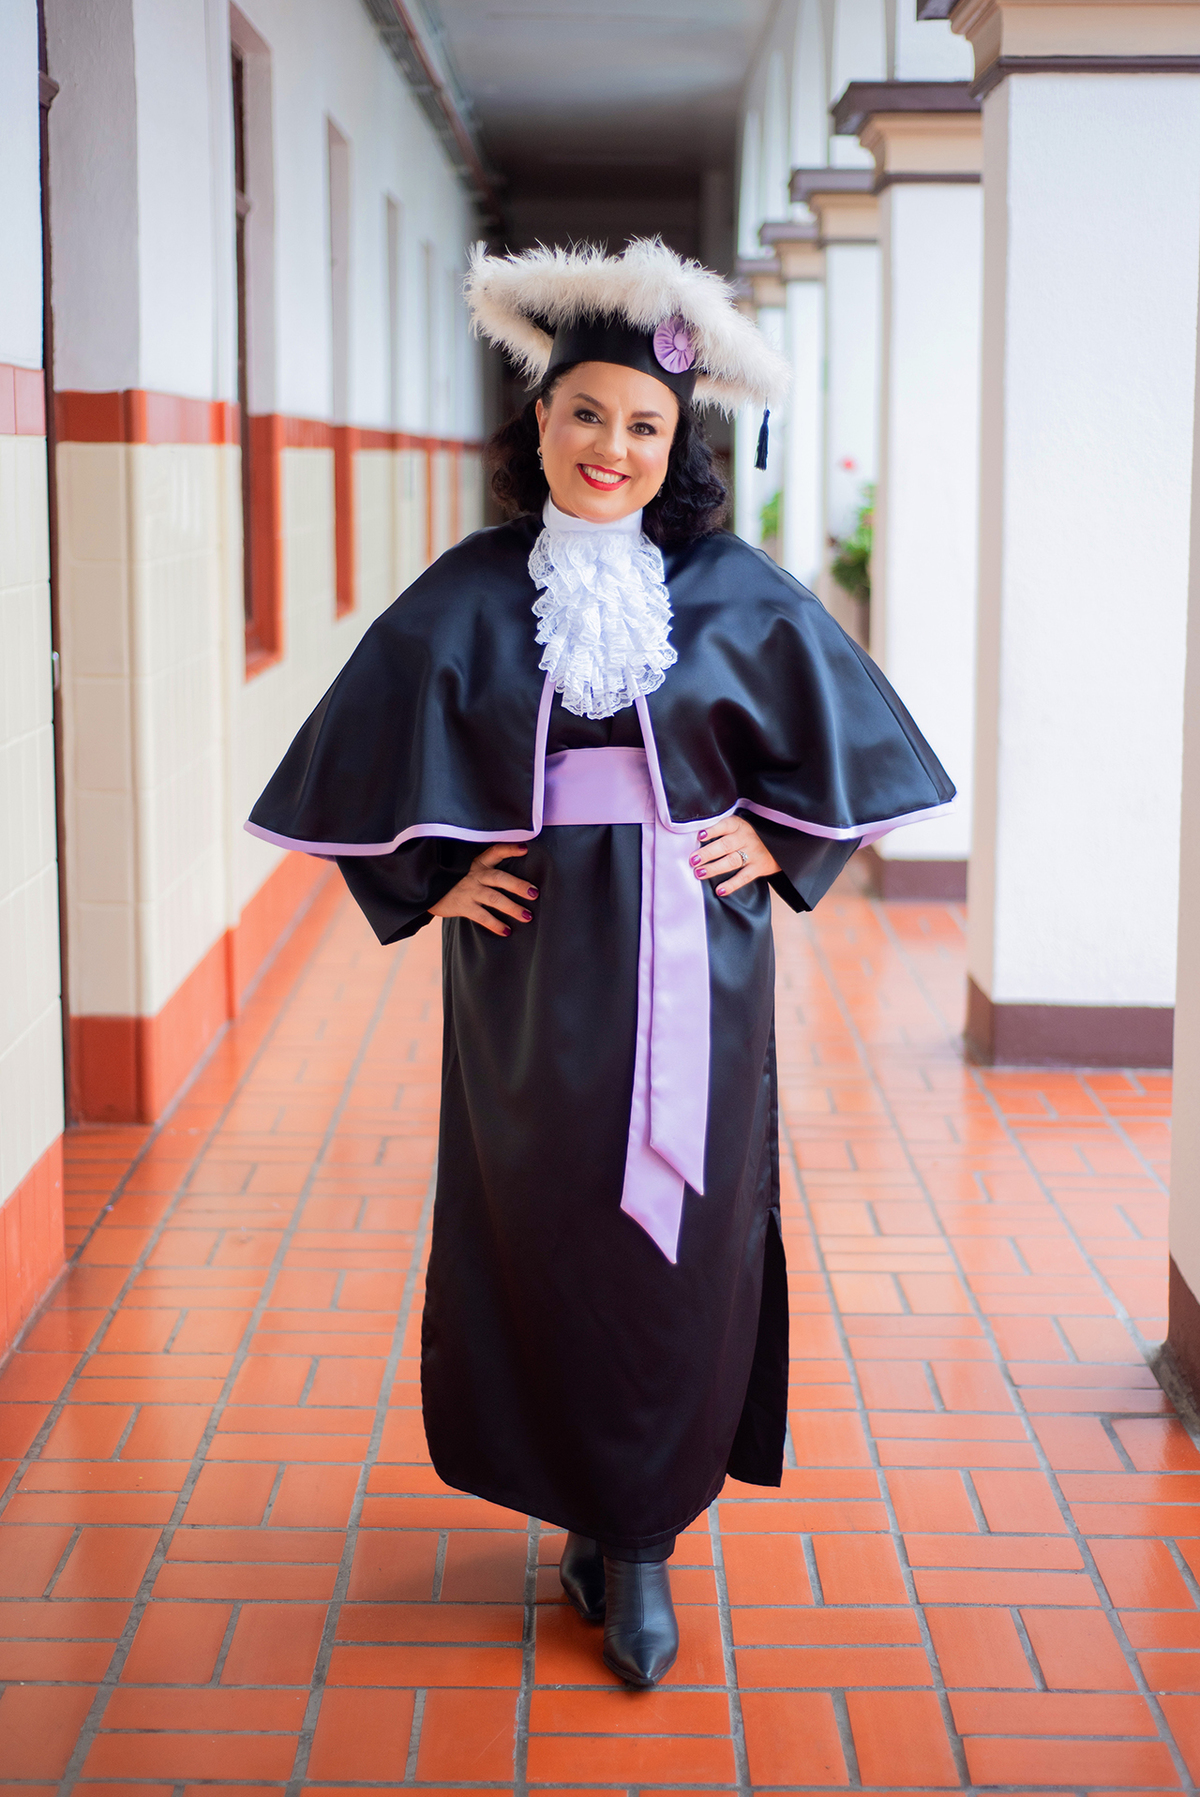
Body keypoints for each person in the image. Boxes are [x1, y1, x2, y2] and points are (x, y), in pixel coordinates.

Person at [248, 238, 954, 1689]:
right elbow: (347, 756)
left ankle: (643, 1541)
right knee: (550, 1230)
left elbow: (854, 743)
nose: (611, 447)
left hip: (699, 955)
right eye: (586, 414)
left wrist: (784, 849)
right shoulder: (468, 587)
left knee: (674, 1239)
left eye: (643, 424)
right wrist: (435, 882)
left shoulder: (736, 587)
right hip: (527, 972)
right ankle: (586, 1499)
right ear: (541, 420)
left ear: (677, 438)